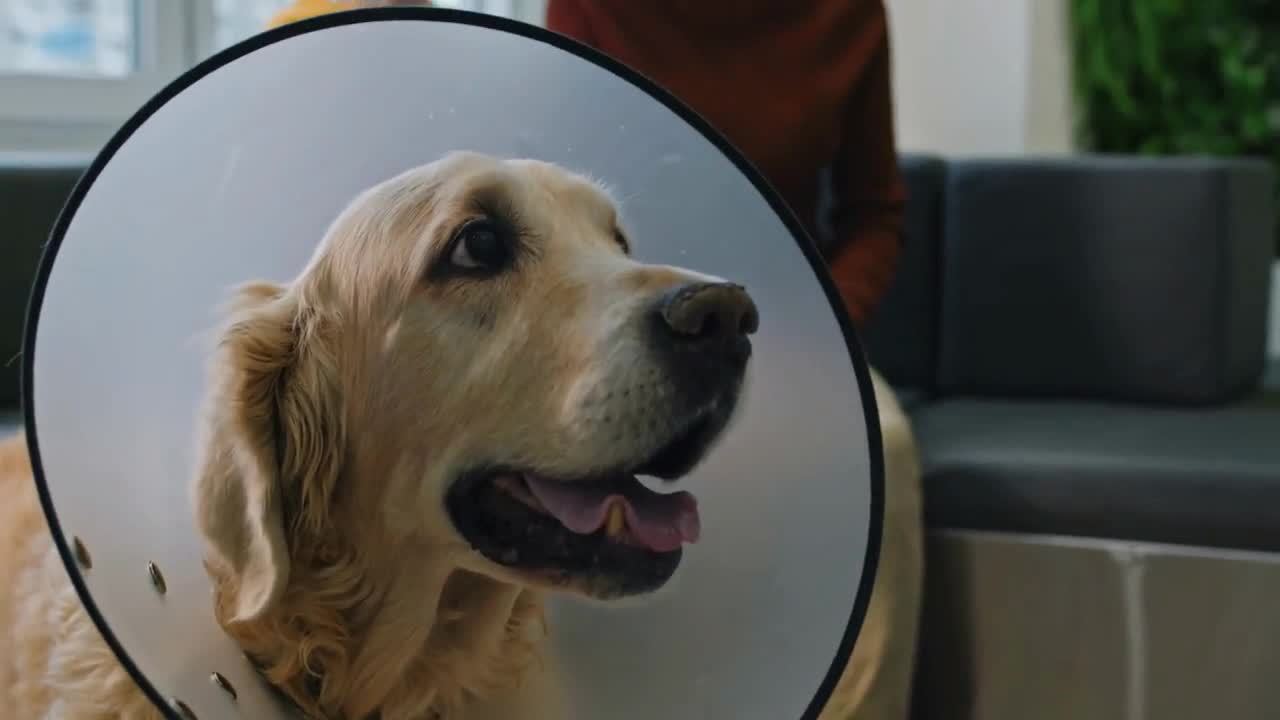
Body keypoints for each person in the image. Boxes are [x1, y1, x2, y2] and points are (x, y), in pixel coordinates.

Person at [544, 2, 925, 719]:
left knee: (886, 452)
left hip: (790, 330)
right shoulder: (592, 8)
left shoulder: (850, 16)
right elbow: (560, 179)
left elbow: (876, 215)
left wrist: (812, 332)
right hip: (617, 321)